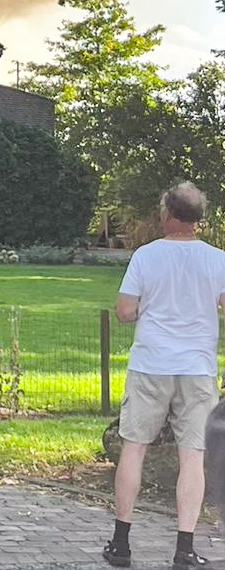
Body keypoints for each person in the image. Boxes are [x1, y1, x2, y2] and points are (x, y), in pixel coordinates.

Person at [105, 182, 225, 569]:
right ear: (196, 218)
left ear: (167, 214)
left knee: (134, 448)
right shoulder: (217, 260)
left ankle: (121, 543)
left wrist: (152, 309)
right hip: (197, 368)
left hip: (151, 364)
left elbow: (124, 311)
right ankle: (184, 549)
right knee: (193, 457)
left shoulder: (146, 256)